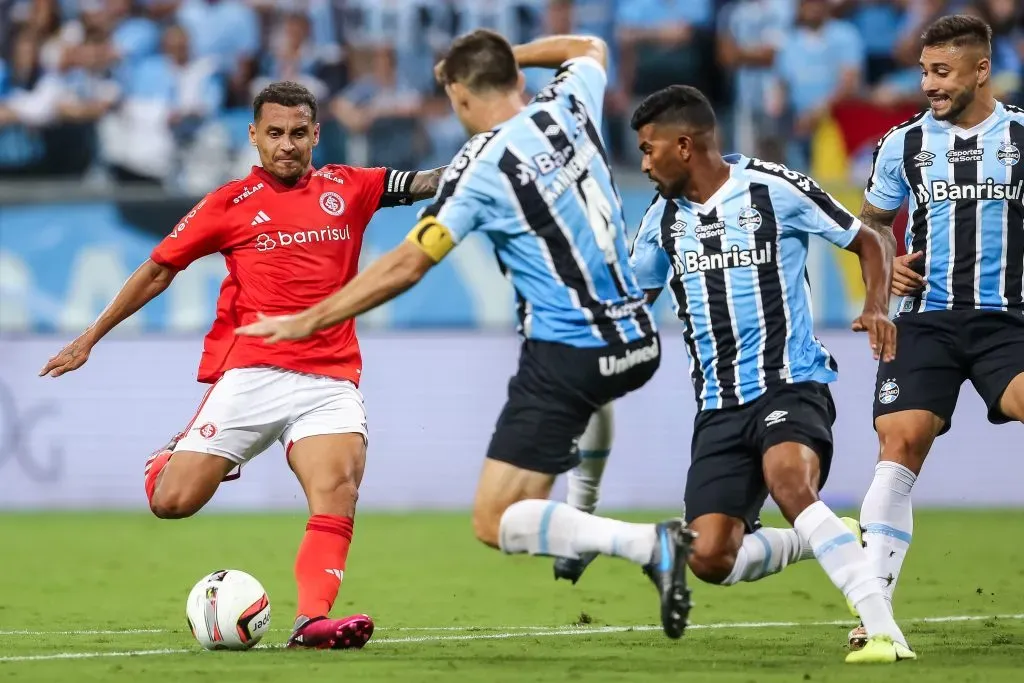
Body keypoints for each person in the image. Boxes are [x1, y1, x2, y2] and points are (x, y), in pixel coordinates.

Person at [236, 30, 698, 640]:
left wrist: (309, 318)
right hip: (638, 338)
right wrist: (513, 52)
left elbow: (407, 263)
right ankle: (582, 514)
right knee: (540, 499)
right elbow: (589, 47)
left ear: (458, 95)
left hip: (569, 353)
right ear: (514, 78)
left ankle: (647, 542)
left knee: (494, 520)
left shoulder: (481, 168)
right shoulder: (569, 103)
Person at [38, 81, 446, 651]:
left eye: (298, 133)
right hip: (255, 374)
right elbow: (159, 269)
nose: (286, 145)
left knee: (338, 488)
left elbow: (429, 183)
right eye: (274, 133)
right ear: (253, 136)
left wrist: (482, 165)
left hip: (330, 380)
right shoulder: (228, 204)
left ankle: (311, 623)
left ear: (316, 135)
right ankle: (171, 458)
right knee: (171, 503)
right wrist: (90, 338)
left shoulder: (351, 187)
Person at [621, 84, 913, 664]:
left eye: (650, 149)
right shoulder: (661, 222)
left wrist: (877, 305)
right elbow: (632, 303)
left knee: (788, 480)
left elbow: (870, 239)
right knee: (708, 556)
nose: (644, 162)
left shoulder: (773, 187)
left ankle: (882, 629)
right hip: (719, 407)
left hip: (791, 383)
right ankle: (821, 537)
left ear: (685, 145)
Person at [848, 14, 1024, 650]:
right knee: (901, 438)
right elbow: (869, 228)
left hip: (1008, 319)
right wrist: (884, 267)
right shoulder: (903, 145)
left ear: (982, 70)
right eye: (924, 71)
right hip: (925, 321)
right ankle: (874, 614)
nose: (928, 84)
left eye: (942, 72)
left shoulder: (1023, 139)